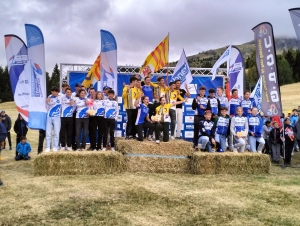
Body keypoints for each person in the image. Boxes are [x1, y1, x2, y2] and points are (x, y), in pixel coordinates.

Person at [45, 86, 62, 152]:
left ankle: (55, 146)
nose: (54, 93)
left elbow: (68, 95)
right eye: (53, 91)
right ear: (51, 91)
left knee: (56, 133)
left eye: (56, 91)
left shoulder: (60, 97)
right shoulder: (49, 97)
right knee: (48, 133)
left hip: (57, 117)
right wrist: (48, 99)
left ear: (58, 92)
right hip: (49, 116)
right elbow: (46, 105)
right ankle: (48, 147)